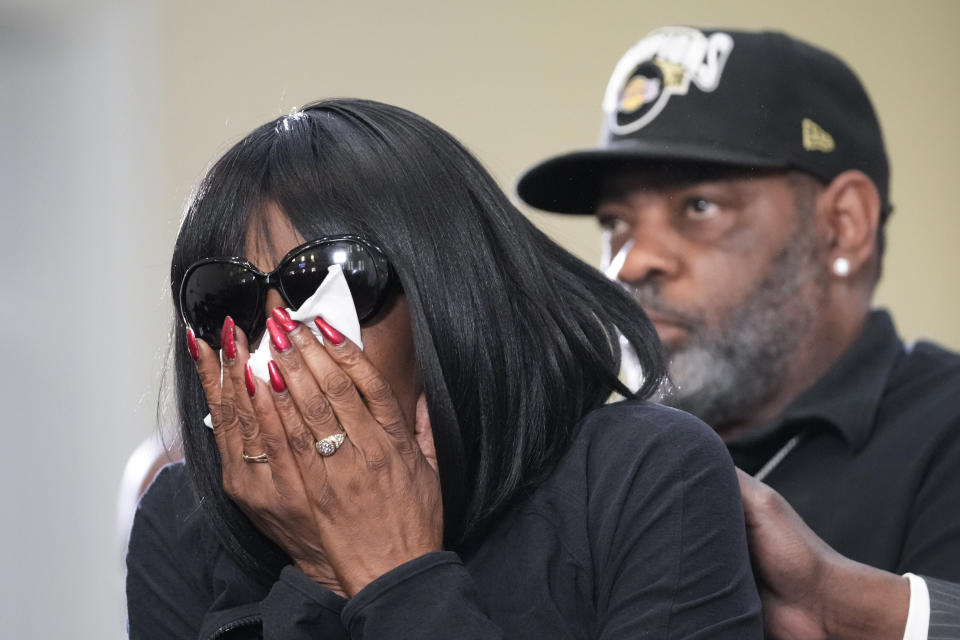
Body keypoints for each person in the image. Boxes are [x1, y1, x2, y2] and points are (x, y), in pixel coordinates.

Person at [125, 98, 763, 638]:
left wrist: (396, 575)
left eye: (326, 281)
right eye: (224, 300)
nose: (277, 346)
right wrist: (319, 575)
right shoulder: (181, 522)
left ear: (448, 290)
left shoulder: (643, 473)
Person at [517, 27, 960, 640]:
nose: (631, 261)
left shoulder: (946, 428)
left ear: (843, 226)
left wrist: (847, 606)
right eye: (616, 222)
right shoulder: (572, 450)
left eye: (699, 207)